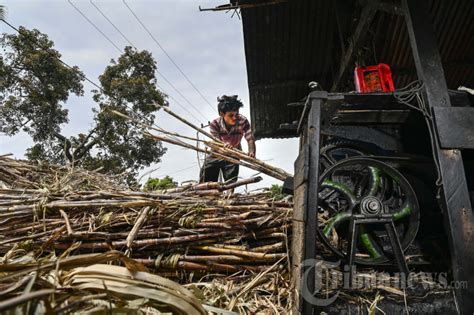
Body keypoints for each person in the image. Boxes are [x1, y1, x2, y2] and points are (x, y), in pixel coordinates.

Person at [199, 95, 256, 183]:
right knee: (207, 174)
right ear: (222, 114)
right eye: (231, 115)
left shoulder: (243, 121)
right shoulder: (215, 124)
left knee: (231, 180)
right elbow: (217, 142)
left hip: (234, 151)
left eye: (236, 114)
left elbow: (250, 138)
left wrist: (251, 152)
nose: (234, 118)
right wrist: (223, 147)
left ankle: (230, 195)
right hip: (217, 152)